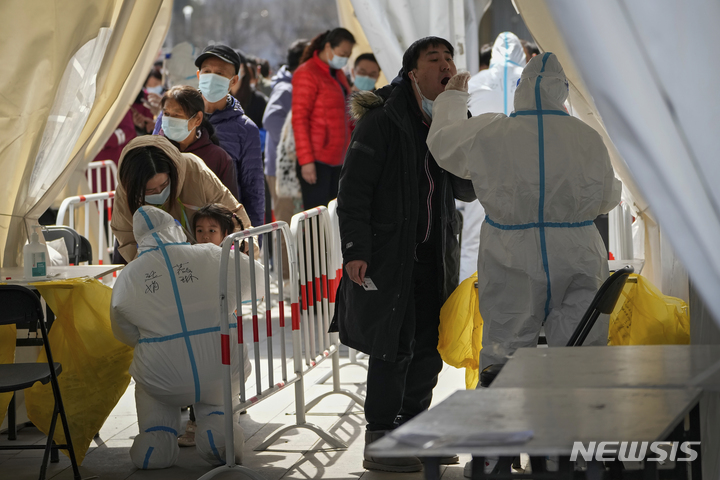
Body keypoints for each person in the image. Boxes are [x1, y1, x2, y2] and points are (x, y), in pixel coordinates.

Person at [332, 36, 475, 472]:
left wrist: (458, 125)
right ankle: (380, 440)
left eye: (449, 58)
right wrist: (356, 249)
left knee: (428, 348)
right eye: (435, 59)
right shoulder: (383, 119)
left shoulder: (450, 120)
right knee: (393, 348)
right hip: (391, 258)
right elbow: (353, 191)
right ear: (413, 72)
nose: (445, 65)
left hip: (435, 257)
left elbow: (467, 188)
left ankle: (415, 432)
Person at [427, 53, 622, 372]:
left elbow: (444, 144)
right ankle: (582, 418)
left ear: (522, 89)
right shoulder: (586, 137)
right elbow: (607, 197)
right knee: (582, 351)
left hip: (510, 253)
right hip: (577, 252)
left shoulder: (492, 131)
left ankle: (511, 418)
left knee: (506, 351)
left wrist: (453, 99)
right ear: (562, 92)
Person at [110, 206, 255, 469]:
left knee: (148, 387)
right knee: (217, 400)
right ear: (176, 227)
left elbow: (122, 328)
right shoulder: (211, 254)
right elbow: (254, 281)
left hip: (164, 379)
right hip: (220, 369)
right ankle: (218, 438)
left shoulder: (130, 274)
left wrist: (153, 340)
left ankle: (155, 443)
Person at [154, 44, 265, 230]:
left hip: (216, 230)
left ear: (234, 80)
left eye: (220, 74)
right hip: (170, 225)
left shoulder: (245, 129)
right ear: (198, 75)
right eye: (207, 71)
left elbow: (253, 190)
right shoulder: (170, 114)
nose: (212, 78)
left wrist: (252, 240)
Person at [110, 135, 251, 263]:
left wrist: (241, 254)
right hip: (163, 273)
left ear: (173, 173)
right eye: (150, 191)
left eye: (165, 184)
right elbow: (128, 241)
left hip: (212, 264)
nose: (159, 192)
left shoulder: (194, 170)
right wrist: (152, 268)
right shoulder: (125, 194)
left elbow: (235, 216)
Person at [457, 32, 526, 283]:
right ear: (522, 53)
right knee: (524, 238)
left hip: (482, 173)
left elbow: (457, 127)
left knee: (475, 239)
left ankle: (469, 297)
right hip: (527, 174)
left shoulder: (475, 82)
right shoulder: (531, 80)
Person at [292, 28, 355, 209]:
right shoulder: (307, 72)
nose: (344, 59)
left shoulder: (337, 73)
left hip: (339, 158)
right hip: (317, 160)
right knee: (317, 220)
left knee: (333, 215)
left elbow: (345, 111)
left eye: (348, 55)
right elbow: (300, 119)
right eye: (342, 53)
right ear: (328, 47)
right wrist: (306, 161)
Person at [263, 39, 308, 278]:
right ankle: (286, 280)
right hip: (283, 169)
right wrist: (299, 140)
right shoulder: (286, 89)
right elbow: (270, 119)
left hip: (291, 167)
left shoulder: (295, 84)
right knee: (286, 225)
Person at [158, 86, 238, 199]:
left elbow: (228, 207)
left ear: (198, 119)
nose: (170, 120)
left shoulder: (218, 158)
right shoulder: (155, 150)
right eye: (166, 114)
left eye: (177, 115)